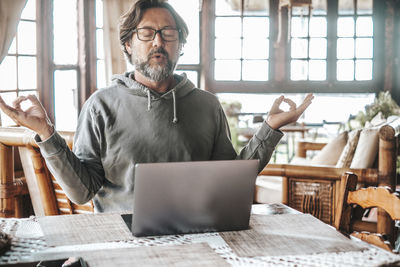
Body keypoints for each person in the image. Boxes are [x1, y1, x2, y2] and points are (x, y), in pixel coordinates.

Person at [0, 0, 313, 213]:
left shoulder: (207, 105)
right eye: (146, 33)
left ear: (180, 45)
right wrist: (45, 133)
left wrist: (270, 129)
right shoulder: (100, 105)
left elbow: (231, 177)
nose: (158, 42)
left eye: (168, 34)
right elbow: (82, 192)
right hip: (122, 244)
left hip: (198, 237)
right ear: (128, 44)